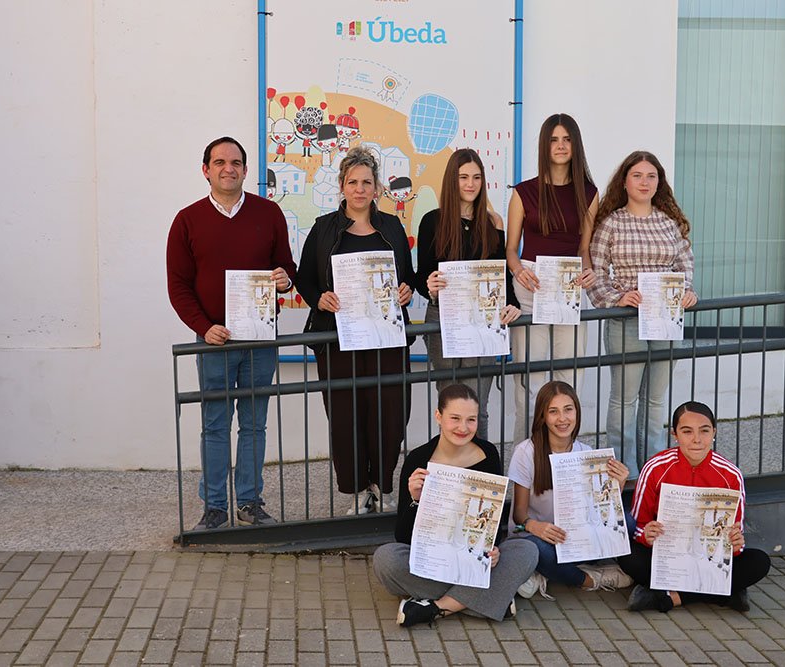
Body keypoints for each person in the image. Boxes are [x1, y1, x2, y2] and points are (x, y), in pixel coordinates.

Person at [166, 137, 296, 530]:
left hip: (260, 340)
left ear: (245, 169)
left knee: (255, 424)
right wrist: (204, 328)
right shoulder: (187, 220)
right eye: (220, 162)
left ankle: (250, 502)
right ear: (205, 169)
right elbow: (178, 285)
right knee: (216, 424)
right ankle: (216, 506)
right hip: (214, 343)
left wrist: (284, 281)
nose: (229, 168)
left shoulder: (269, 213)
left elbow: (287, 269)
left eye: (236, 162)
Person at [295, 146, 414, 515]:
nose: (360, 189)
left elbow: (407, 277)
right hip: (338, 340)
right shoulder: (324, 228)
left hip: (386, 340)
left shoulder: (392, 227)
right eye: (352, 182)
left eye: (366, 182)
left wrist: (406, 290)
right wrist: (321, 298)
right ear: (342, 186)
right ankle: (357, 492)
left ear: (377, 187)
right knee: (346, 417)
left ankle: (382, 485)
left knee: (390, 414)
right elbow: (304, 279)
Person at [372, 384, 539, 627]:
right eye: (455, 418)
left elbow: (496, 518)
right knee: (385, 559)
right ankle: (487, 601)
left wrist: (494, 550)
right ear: (438, 416)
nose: (463, 428)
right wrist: (415, 499)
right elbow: (403, 536)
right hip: (434, 560)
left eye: (471, 420)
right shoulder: (418, 459)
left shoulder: (488, 454)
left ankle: (437, 608)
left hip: (474, 558)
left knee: (527, 551)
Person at [588, 151, 698, 474]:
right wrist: (618, 298)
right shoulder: (611, 223)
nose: (644, 182)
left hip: (665, 321)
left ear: (658, 182)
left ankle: (652, 471)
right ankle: (625, 474)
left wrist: (686, 292)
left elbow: (685, 264)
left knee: (655, 401)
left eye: (651, 176)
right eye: (637, 175)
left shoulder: (668, 222)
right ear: (625, 181)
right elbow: (594, 273)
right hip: (627, 322)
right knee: (624, 400)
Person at [618, 401, 771, 612]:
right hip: (667, 556)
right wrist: (647, 534)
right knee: (628, 556)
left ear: (714, 432)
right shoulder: (655, 468)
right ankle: (724, 595)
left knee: (759, 562)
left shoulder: (730, 475)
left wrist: (735, 545)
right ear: (675, 434)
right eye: (687, 431)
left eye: (704, 431)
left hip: (708, 560)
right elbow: (637, 526)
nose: (697, 439)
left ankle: (670, 598)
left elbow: (736, 537)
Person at [415, 148, 521, 441]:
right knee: (449, 403)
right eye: (463, 177)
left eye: (476, 177)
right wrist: (429, 283)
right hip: (442, 319)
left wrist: (511, 304)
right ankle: (451, 475)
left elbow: (501, 274)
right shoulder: (432, 221)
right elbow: (421, 272)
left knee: (477, 407)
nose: (470, 184)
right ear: (452, 180)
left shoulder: (493, 221)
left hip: (484, 321)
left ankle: (481, 473)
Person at [506, 114, 599, 444]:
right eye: (554, 140)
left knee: (569, 375)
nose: (560, 146)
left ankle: (566, 459)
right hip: (530, 286)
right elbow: (511, 250)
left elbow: (584, 248)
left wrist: (589, 271)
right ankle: (526, 461)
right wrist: (518, 271)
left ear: (575, 146)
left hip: (570, 289)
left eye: (567, 140)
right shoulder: (523, 192)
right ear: (545, 146)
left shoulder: (588, 193)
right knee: (530, 380)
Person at [508, 381, 634, 598]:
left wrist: (617, 485)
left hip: (574, 537)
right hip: (537, 536)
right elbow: (518, 513)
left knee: (629, 525)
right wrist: (535, 526)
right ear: (542, 417)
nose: (562, 419)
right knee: (537, 551)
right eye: (553, 412)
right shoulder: (526, 452)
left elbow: (599, 511)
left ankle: (542, 574)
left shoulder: (585, 452)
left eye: (568, 409)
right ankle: (590, 579)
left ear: (577, 411)